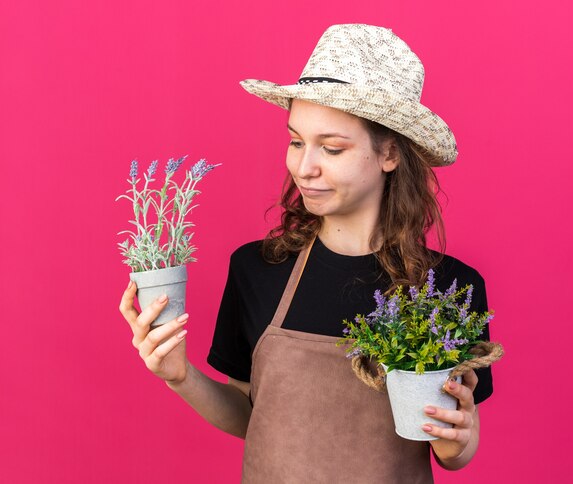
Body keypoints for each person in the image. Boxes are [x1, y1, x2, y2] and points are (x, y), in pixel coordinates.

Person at [119, 24, 494, 483]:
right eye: (296, 141)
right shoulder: (257, 269)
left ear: (390, 153)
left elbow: (451, 449)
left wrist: (459, 439)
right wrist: (179, 375)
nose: (304, 166)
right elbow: (252, 414)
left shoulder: (448, 292)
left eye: (331, 148)